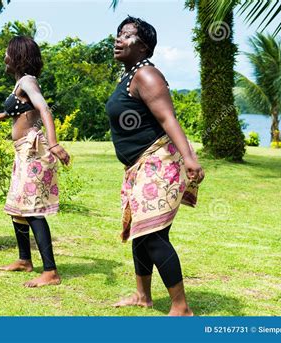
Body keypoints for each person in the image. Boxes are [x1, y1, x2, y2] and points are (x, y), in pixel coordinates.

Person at [105, 16, 205, 316]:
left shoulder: (147, 75)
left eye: (128, 36)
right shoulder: (129, 76)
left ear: (144, 46)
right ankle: (143, 296)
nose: (119, 39)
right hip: (139, 166)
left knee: (152, 234)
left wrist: (190, 158)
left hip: (158, 161)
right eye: (118, 34)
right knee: (143, 230)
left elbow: (168, 119)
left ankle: (181, 307)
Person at [0, 36, 70, 287]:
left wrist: (54, 143)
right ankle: (25, 259)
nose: (4, 58)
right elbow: (26, 110)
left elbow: (44, 109)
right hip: (22, 151)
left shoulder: (26, 80)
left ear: (17, 56)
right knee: (18, 207)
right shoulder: (20, 83)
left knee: (34, 210)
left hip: (33, 151)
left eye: (7, 53)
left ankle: (51, 272)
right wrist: (3, 114)